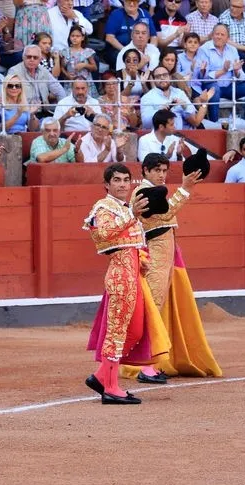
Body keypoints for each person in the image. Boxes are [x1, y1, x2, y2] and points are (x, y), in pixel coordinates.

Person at [120, 152, 220, 384]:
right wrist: (185, 188)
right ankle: (146, 367)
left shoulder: (152, 190)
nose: (161, 175)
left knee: (157, 309)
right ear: (144, 171)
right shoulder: (141, 193)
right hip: (154, 256)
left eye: (165, 171)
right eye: (156, 170)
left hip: (163, 255)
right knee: (152, 309)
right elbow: (164, 214)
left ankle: (151, 364)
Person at [82, 163, 167, 405]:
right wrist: (132, 215)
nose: (122, 184)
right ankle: (111, 387)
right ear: (107, 185)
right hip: (120, 275)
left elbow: (133, 242)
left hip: (133, 274)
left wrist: (143, 259)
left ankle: (101, 376)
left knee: (136, 330)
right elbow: (104, 235)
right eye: (117, 180)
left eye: (125, 180)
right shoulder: (103, 207)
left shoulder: (126, 208)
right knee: (117, 331)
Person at [196, 23, 245, 124]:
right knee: (214, 88)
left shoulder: (232, 50)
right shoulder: (204, 49)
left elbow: (241, 77)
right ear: (212, 35)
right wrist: (223, 71)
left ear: (227, 38)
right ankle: (214, 123)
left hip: (229, 87)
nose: (219, 37)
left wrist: (237, 71)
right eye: (217, 34)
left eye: (222, 34)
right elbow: (203, 77)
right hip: (212, 86)